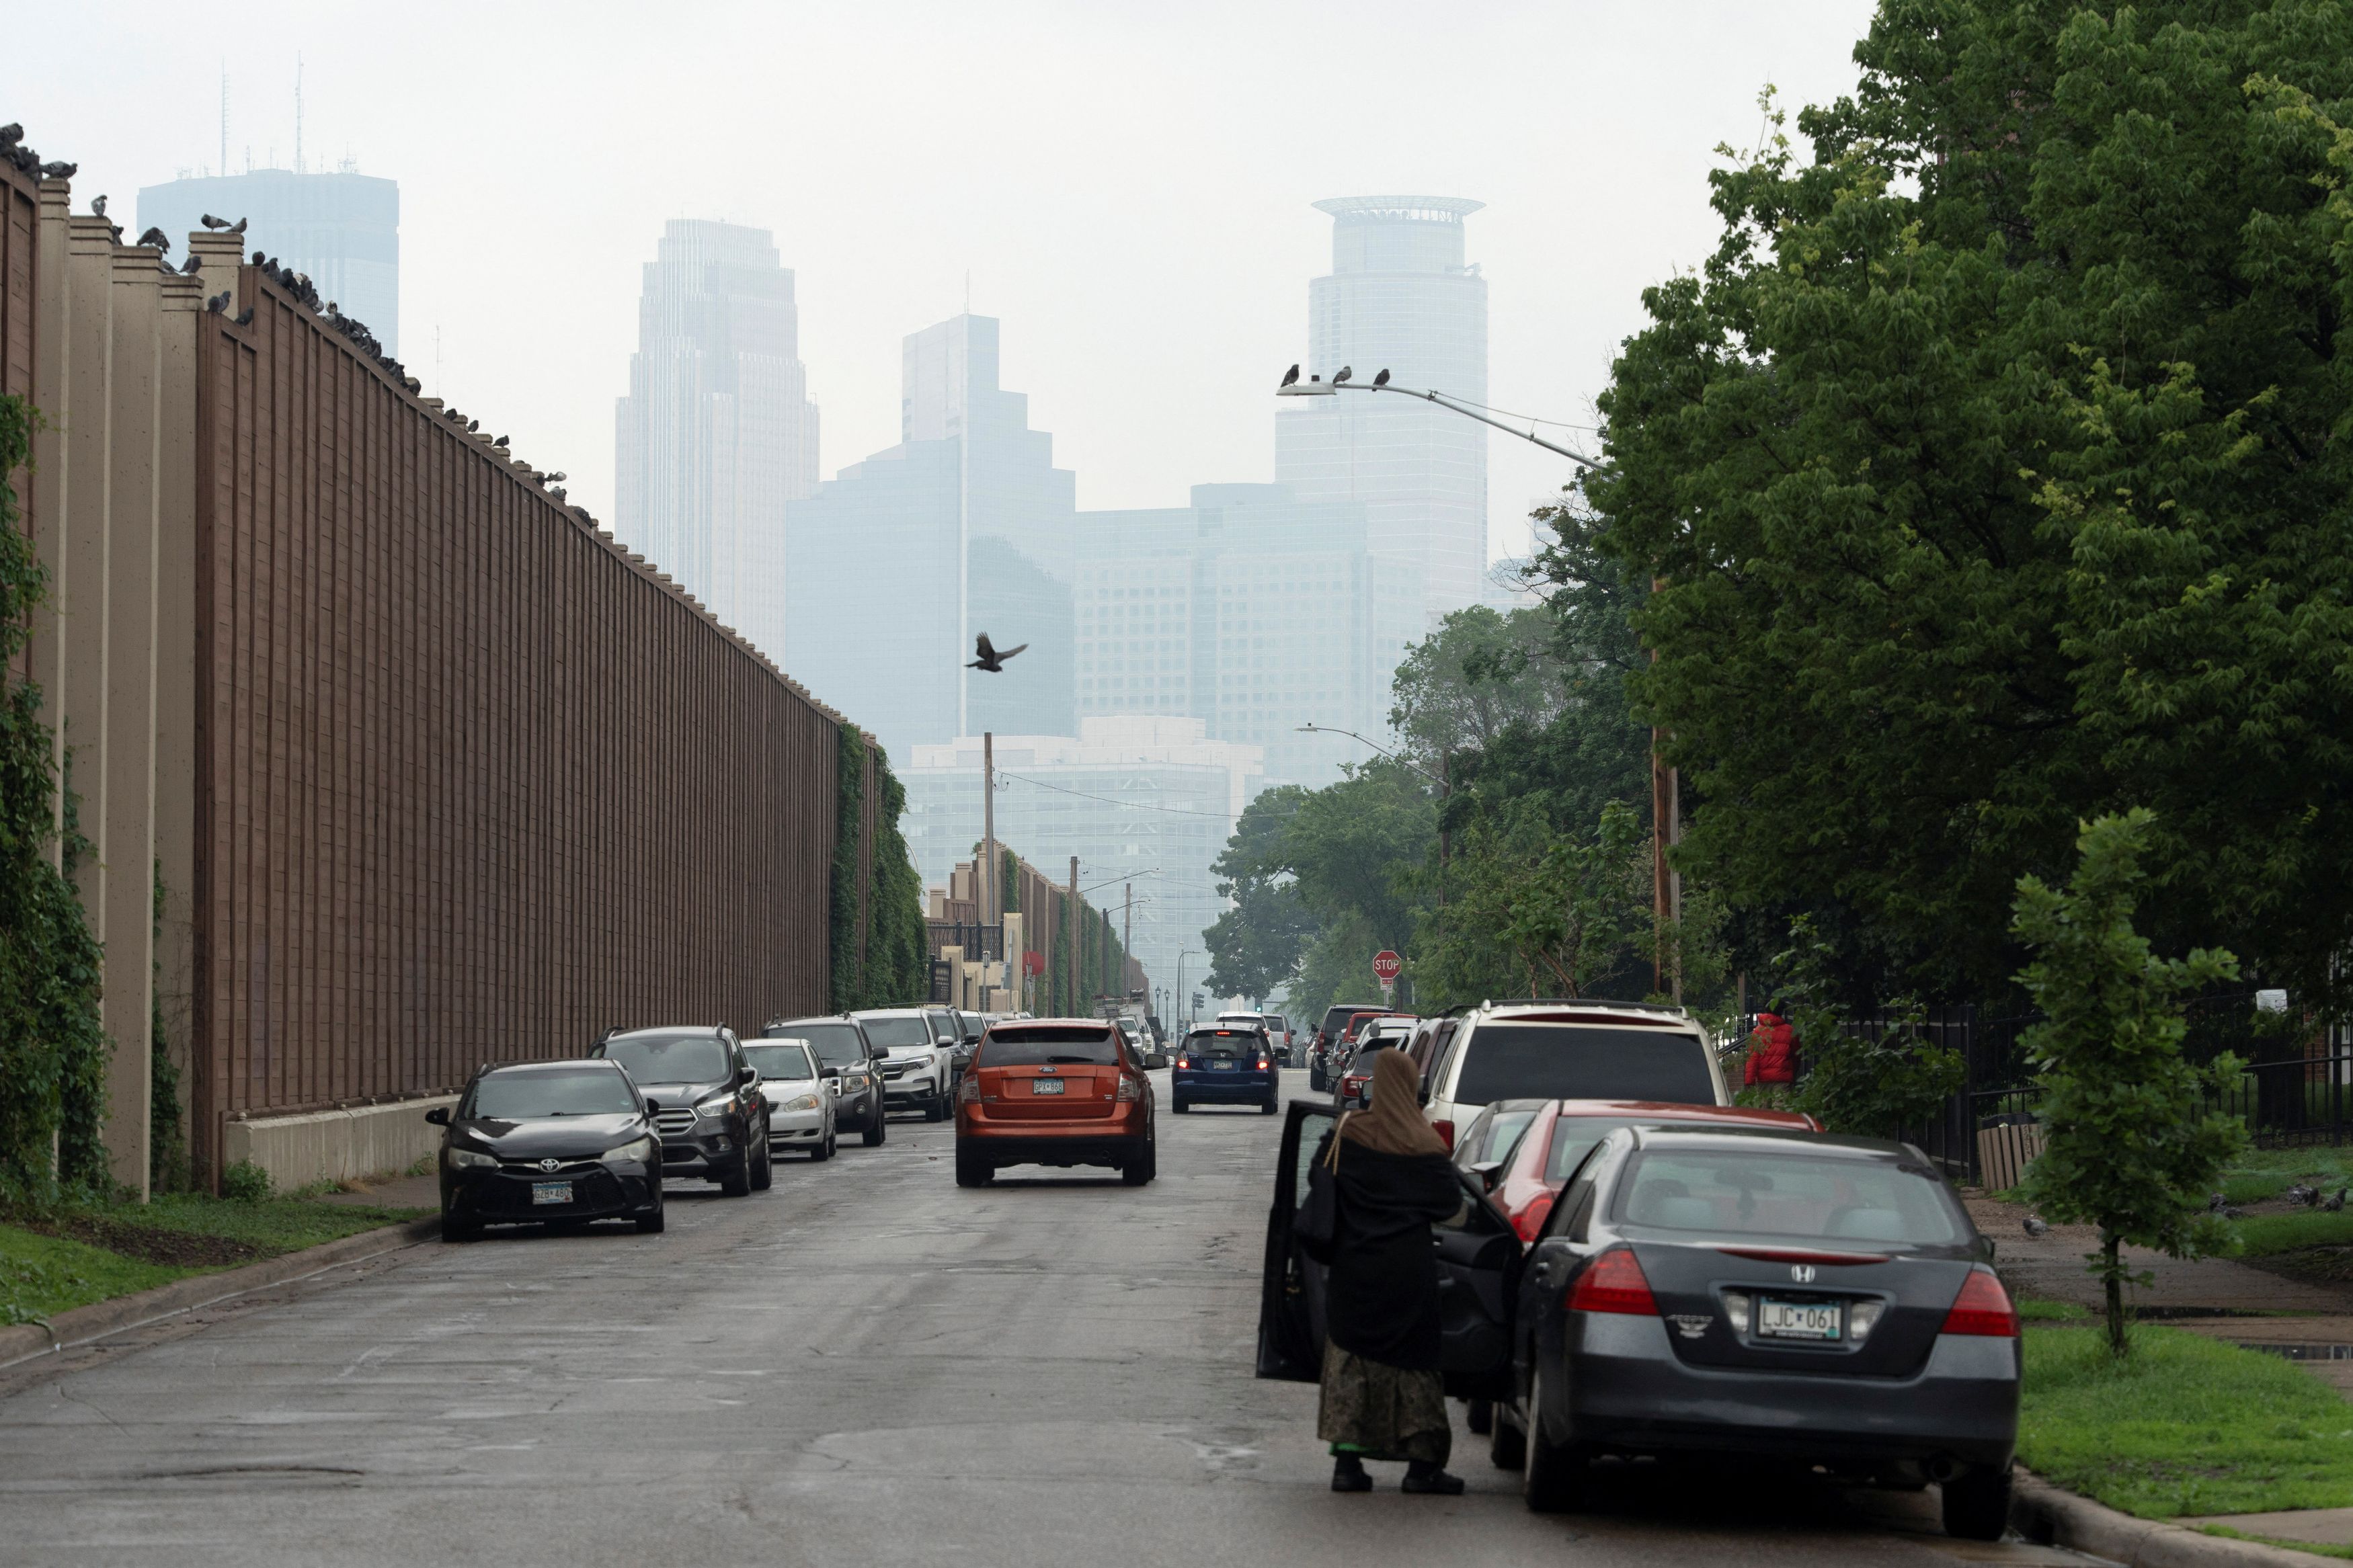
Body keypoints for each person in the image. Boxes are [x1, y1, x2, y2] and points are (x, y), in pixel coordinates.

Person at [1313, 1048, 1466, 1495]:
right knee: (1414, 1363)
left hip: (1352, 1268)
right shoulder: (1423, 1144)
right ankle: (1421, 1467)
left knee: (1350, 1358)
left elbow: (1317, 1180)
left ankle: (1347, 1463)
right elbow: (1450, 1204)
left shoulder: (1347, 1131)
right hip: (1408, 1271)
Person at [1744, 1007, 1796, 1087]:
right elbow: (1796, 1056)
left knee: (1764, 1099)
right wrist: (1793, 1073)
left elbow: (1753, 1057)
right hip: (1783, 1078)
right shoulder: (1790, 1031)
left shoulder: (1758, 1031)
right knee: (1781, 1099)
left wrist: (1749, 1081)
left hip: (1763, 1079)